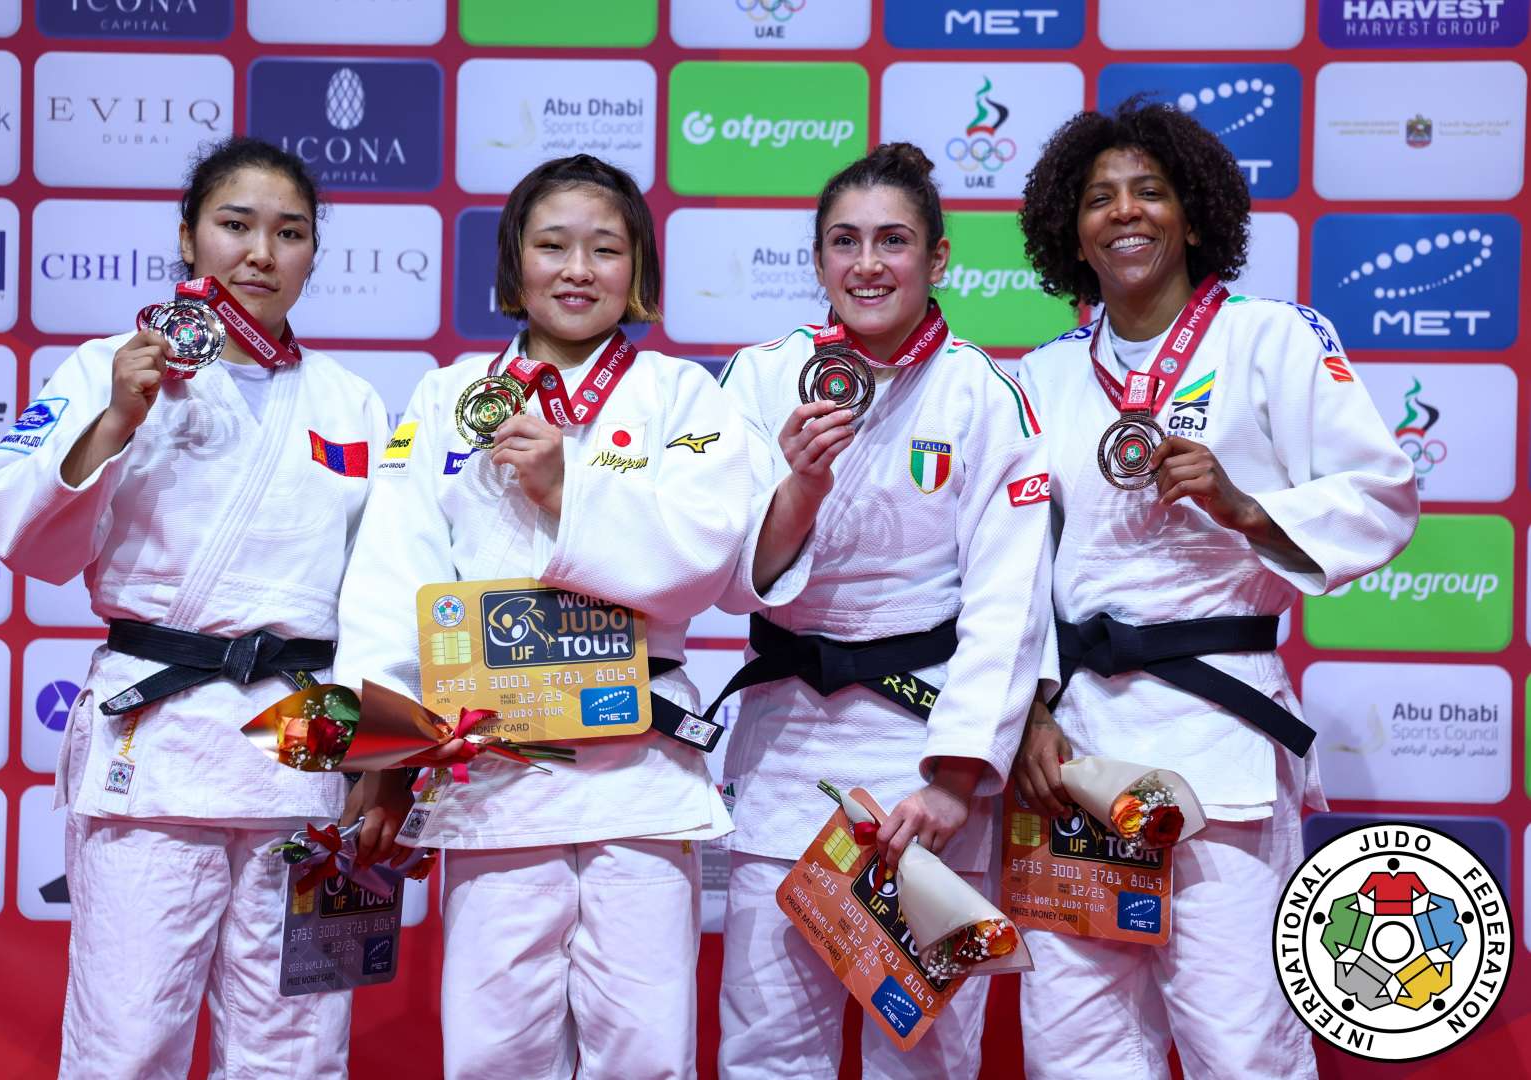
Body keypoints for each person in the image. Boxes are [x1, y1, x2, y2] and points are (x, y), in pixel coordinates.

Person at [1011, 99, 1418, 1080]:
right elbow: (1008, 566)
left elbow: (1384, 494)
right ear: (1072, 231)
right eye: (1099, 198)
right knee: (1074, 1050)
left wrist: (1247, 509)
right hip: (1078, 752)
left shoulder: (1271, 339)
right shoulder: (1041, 378)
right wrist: (1028, 710)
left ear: (1193, 216)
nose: (1125, 212)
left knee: (1242, 1048)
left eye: (1149, 191)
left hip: (1218, 742)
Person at [0, 137, 387, 1079]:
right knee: (128, 1037)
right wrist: (118, 417)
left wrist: (379, 752)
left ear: (313, 254)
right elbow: (20, 533)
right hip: (157, 738)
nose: (261, 253)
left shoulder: (351, 401)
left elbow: (380, 588)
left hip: (304, 739)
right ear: (188, 236)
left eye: (290, 233)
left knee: (296, 1041)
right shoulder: (108, 367)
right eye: (236, 225)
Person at [335, 154, 752, 1080]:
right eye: (552, 245)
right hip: (492, 769)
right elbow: (393, 573)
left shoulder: (680, 396)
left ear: (637, 268)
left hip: (638, 764)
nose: (577, 270)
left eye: (605, 249)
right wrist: (386, 754)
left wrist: (569, 485)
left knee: (646, 1049)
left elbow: (706, 558)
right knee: (494, 1049)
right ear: (513, 262)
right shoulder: (448, 397)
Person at [713, 142, 1054, 1079]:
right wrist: (800, 487)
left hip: (923, 758)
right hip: (787, 749)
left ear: (937, 258)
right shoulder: (761, 378)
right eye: (845, 241)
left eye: (893, 241)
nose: (868, 264)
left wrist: (954, 779)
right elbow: (728, 577)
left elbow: (1010, 600)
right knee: (766, 1049)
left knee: (928, 1055)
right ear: (818, 259)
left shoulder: (984, 395)